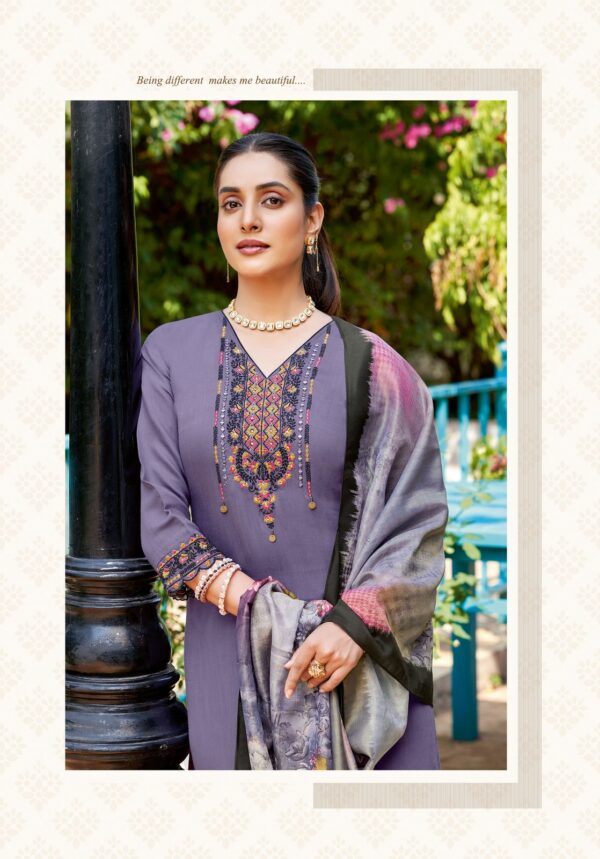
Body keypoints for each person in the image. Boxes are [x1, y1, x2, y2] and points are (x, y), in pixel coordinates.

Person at [136, 131, 449, 770]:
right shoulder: (170, 353)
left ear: (312, 220)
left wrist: (353, 628)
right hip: (228, 659)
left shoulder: (374, 367)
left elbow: (416, 521)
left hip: (353, 668)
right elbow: (158, 512)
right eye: (231, 203)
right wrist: (257, 606)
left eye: (271, 200)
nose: (248, 219)